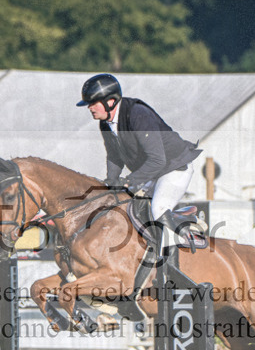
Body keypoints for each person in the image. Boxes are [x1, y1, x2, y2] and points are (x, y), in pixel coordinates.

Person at [77, 73, 202, 243]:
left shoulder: (138, 114)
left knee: (158, 210)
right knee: (127, 208)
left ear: (110, 102)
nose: (90, 108)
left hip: (174, 168)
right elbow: (114, 156)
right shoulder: (105, 123)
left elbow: (158, 160)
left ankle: (172, 264)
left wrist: (129, 181)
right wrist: (110, 182)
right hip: (153, 172)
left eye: (93, 103)